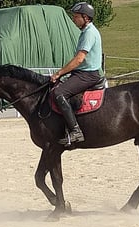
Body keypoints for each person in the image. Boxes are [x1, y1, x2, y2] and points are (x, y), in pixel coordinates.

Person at [51, 2, 102, 145]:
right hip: (82, 73)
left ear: (85, 17)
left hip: (88, 74)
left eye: (76, 16)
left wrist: (59, 73)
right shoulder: (85, 32)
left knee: (58, 93)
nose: (73, 19)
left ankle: (75, 131)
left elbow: (79, 59)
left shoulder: (90, 33)